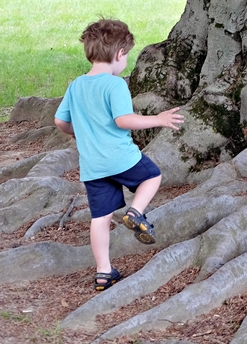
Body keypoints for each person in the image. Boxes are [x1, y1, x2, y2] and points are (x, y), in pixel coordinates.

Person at [54, 18, 184, 292]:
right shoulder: (115, 85)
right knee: (152, 176)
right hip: (120, 158)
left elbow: (60, 122)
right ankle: (136, 212)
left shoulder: (76, 85)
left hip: (92, 164)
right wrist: (158, 119)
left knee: (100, 217)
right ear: (119, 54)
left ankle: (103, 272)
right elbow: (124, 120)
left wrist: (78, 132)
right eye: (127, 56)